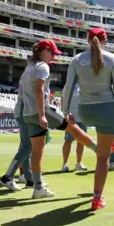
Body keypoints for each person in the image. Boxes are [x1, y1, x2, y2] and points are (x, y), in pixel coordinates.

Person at [23, 39, 105, 199]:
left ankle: (38, 187)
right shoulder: (42, 67)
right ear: (45, 51)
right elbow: (39, 91)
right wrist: (42, 115)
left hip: (28, 113)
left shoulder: (29, 67)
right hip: (43, 110)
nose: (54, 57)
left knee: (37, 151)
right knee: (73, 127)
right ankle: (98, 150)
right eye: (52, 53)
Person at [61, 28, 114, 211]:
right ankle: (97, 198)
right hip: (106, 110)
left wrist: (66, 112)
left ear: (87, 40)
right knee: (103, 157)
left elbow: (67, 89)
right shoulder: (112, 59)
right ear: (105, 40)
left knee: (76, 130)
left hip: (85, 110)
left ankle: (108, 142)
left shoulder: (76, 60)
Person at [0, 85, 34, 191]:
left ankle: (29, 179)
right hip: (27, 113)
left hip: (23, 112)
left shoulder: (28, 72)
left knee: (25, 147)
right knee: (27, 146)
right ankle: (8, 177)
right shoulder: (38, 72)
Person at [61, 84, 88, 173]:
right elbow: (63, 98)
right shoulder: (69, 85)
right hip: (71, 118)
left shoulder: (85, 84)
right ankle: (65, 164)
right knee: (68, 140)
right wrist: (65, 114)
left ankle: (78, 163)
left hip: (83, 117)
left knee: (82, 141)